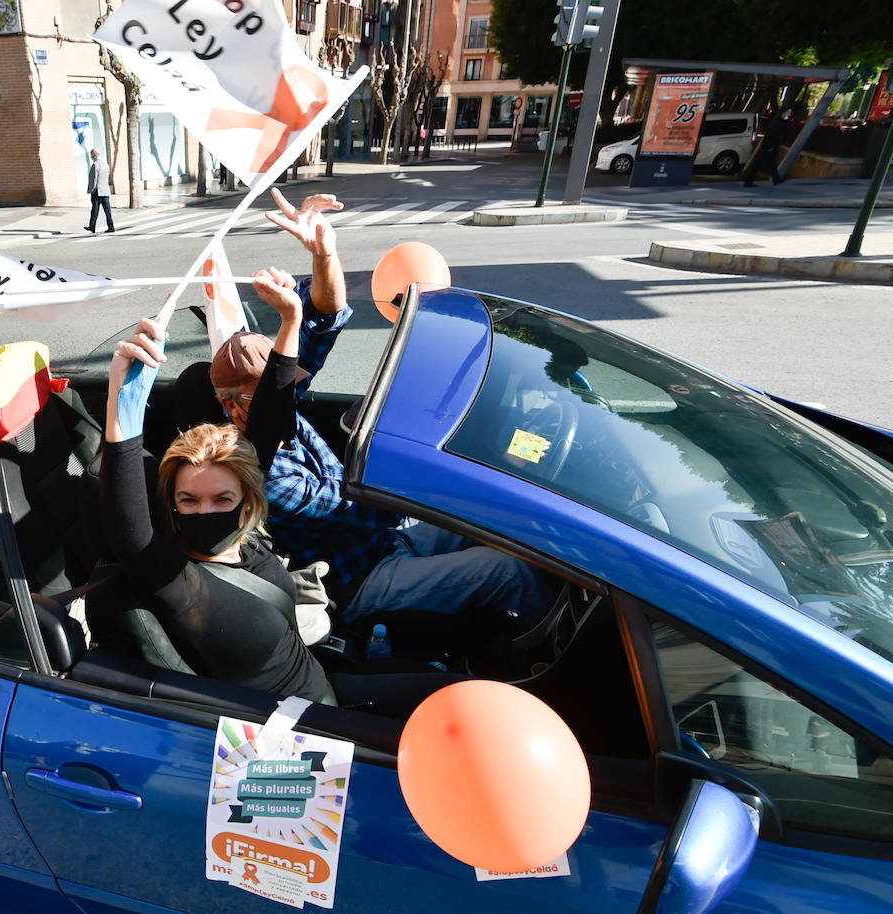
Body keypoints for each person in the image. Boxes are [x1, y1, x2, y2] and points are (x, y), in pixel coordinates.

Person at [208, 189, 556, 632]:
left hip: (385, 540)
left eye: (288, 375)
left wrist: (323, 252)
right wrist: (457, 475)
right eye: (278, 384)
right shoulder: (253, 471)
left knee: (502, 531)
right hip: (354, 577)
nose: (292, 387)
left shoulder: (276, 404)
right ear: (233, 406)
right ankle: (537, 659)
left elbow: (325, 314)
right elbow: (360, 507)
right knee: (509, 572)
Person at [101, 272, 336, 705]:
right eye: (187, 499)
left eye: (222, 498)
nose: (205, 511)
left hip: (324, 689)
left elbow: (269, 417)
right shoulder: (178, 580)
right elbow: (129, 528)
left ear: (248, 498)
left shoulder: (246, 536)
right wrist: (123, 397)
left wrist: (291, 319)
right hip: (296, 745)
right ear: (170, 502)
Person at [743, 107, 793, 187]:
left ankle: (776, 179)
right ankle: (748, 180)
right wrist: (770, 146)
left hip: (769, 147)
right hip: (768, 147)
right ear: (783, 113)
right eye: (788, 112)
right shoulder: (778, 123)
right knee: (759, 164)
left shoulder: (778, 122)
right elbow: (771, 135)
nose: (789, 114)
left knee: (770, 164)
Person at [84, 147, 115, 234]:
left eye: (92, 155)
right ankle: (111, 226)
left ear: (94, 155)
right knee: (107, 210)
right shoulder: (106, 165)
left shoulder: (95, 165)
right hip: (105, 191)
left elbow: (93, 179)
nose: (91, 157)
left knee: (94, 210)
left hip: (97, 192)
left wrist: (91, 190)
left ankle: (92, 226)